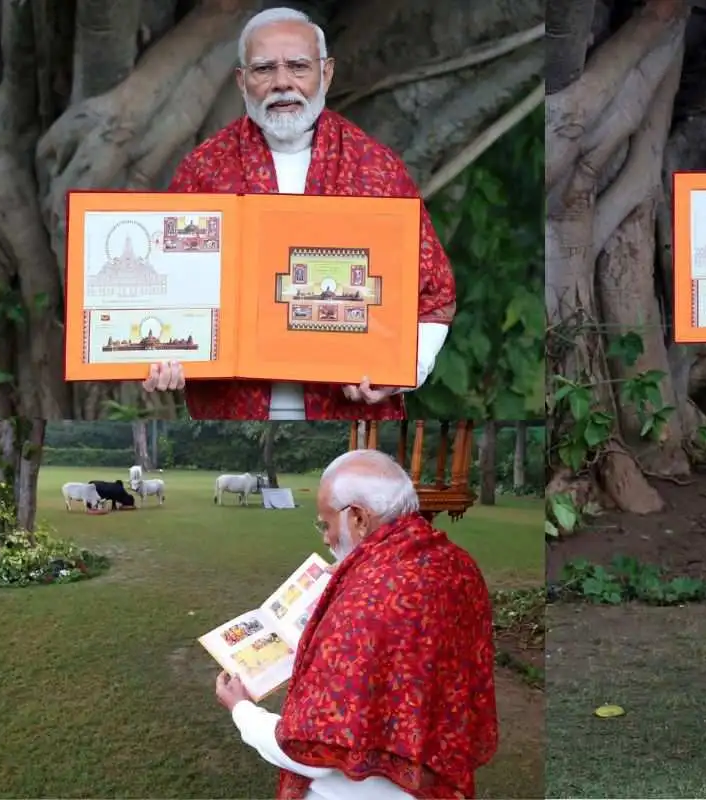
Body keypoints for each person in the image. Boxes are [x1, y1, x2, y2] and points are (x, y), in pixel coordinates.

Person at [144, 7, 456, 421]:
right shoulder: (204, 170)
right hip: (231, 411)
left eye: (298, 67)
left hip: (346, 410)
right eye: (263, 69)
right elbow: (171, 290)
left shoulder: (374, 168)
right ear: (241, 80)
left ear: (325, 74)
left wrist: (402, 370)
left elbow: (435, 297)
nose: (282, 83)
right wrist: (163, 356)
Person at [214, 449, 499, 799]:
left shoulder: (367, 601)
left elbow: (312, 749)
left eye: (326, 523)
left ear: (359, 518)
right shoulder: (456, 564)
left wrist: (241, 710)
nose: (324, 537)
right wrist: (354, 575)